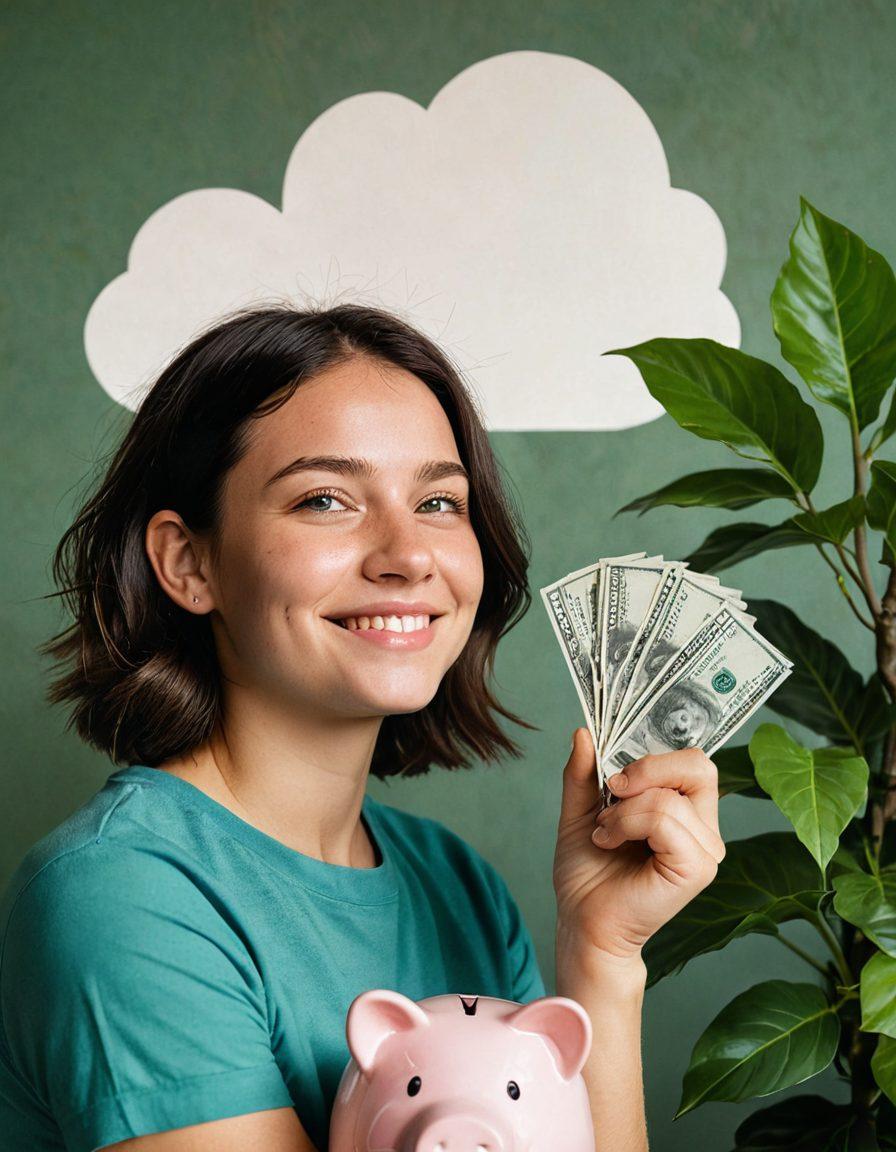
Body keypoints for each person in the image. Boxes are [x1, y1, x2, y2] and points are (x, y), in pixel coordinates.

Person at [0, 303, 726, 1152]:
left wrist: (603, 954)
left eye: (440, 502)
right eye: (325, 499)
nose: (407, 554)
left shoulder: (460, 888)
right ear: (188, 563)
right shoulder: (119, 894)